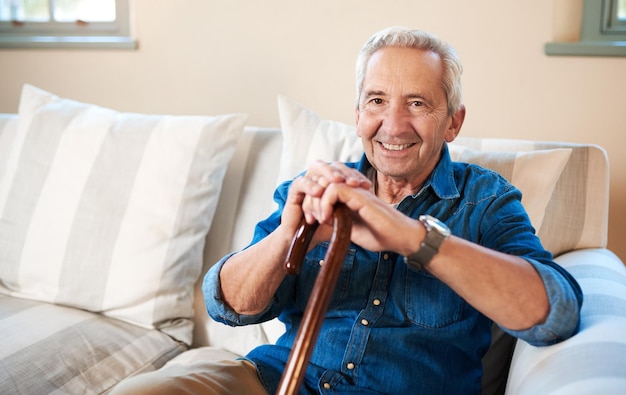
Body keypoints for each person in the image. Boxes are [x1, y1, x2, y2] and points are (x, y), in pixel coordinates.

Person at [112, 26, 582, 395]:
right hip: (278, 380)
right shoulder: (314, 188)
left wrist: (415, 239)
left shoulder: (484, 200)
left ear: (453, 122)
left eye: (417, 104)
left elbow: (555, 312)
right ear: (358, 114)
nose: (393, 125)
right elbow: (228, 305)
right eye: (377, 101)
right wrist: (292, 236)